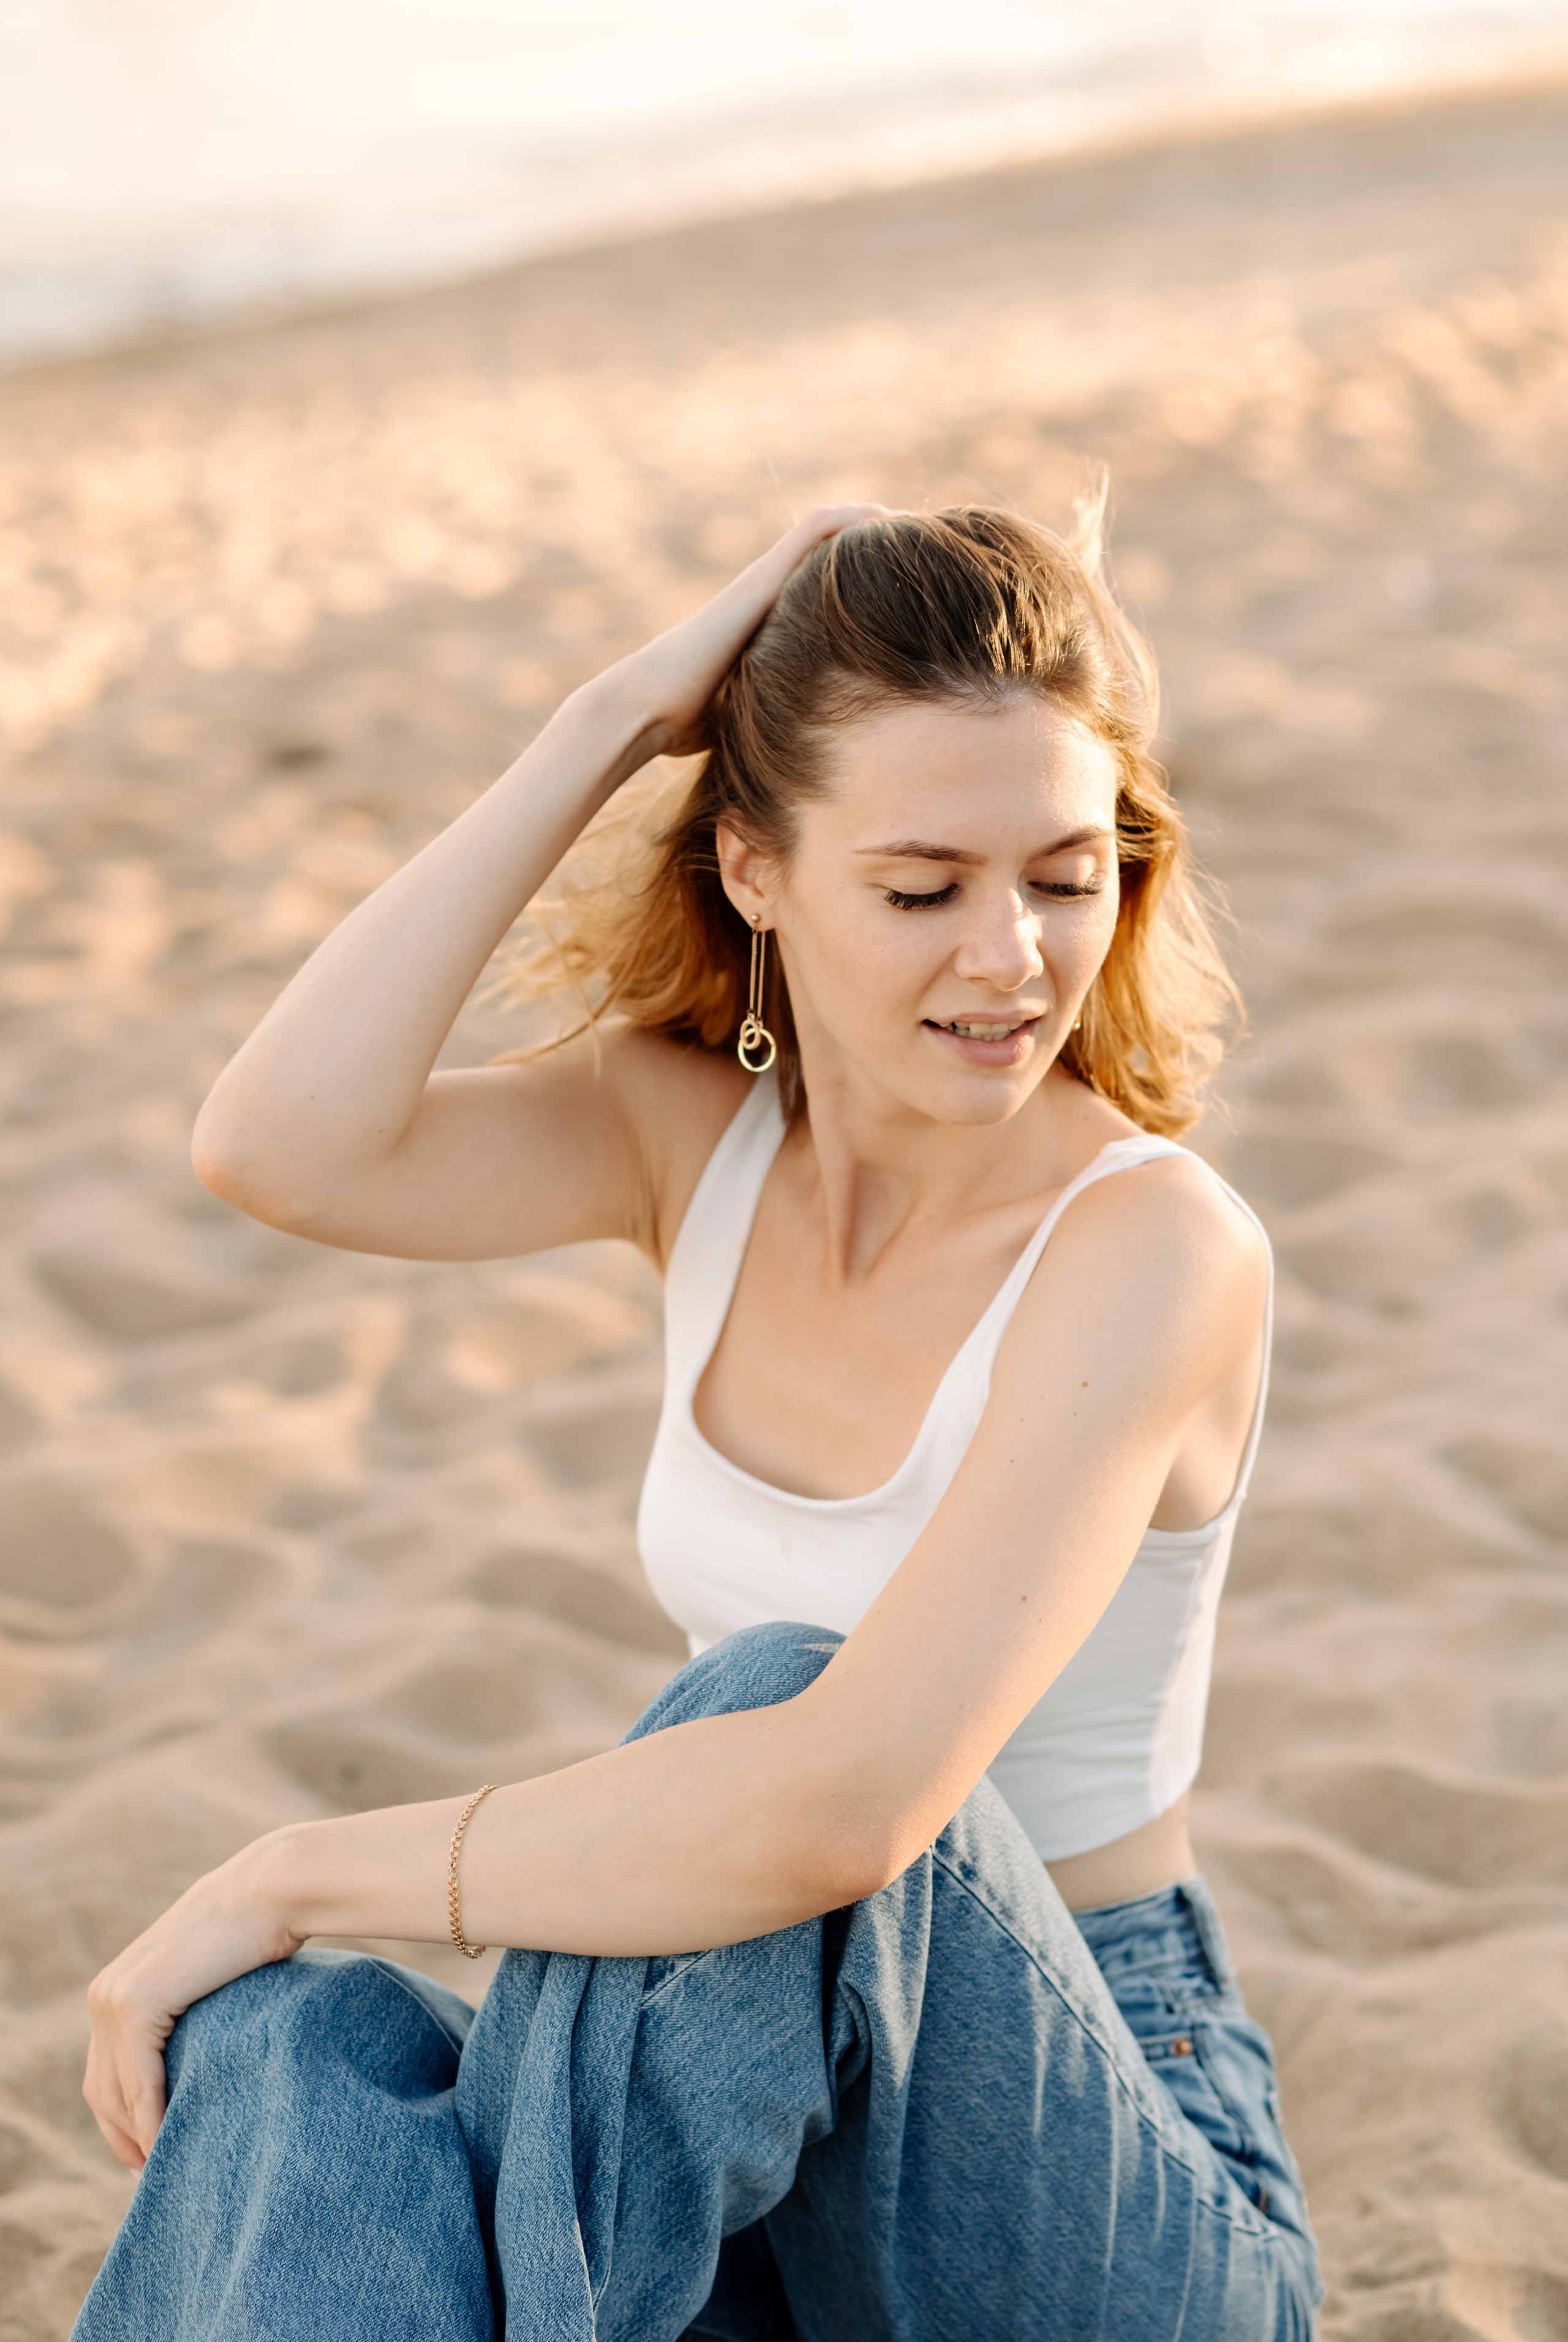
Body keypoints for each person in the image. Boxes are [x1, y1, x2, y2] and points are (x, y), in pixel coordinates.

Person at [74, 498, 1327, 2340]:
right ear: (754, 866)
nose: (1013, 959)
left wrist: (289, 1867)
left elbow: (841, 1807)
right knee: (288, 2043)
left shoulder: (1153, 1245)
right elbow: (277, 1144)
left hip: (1095, 2172)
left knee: (765, 1710)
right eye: (923, 889)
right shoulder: (695, 1138)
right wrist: (606, 719)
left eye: (1067, 874)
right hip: (751, 2143)